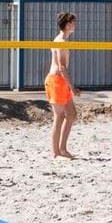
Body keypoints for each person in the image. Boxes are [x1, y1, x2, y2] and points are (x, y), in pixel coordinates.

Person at [45, 12, 81, 160]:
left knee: (71, 115)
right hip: (56, 81)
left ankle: (62, 148)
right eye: (73, 22)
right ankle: (56, 152)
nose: (75, 24)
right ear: (67, 25)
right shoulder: (61, 42)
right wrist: (72, 87)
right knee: (59, 116)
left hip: (61, 81)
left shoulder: (62, 40)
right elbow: (62, 67)